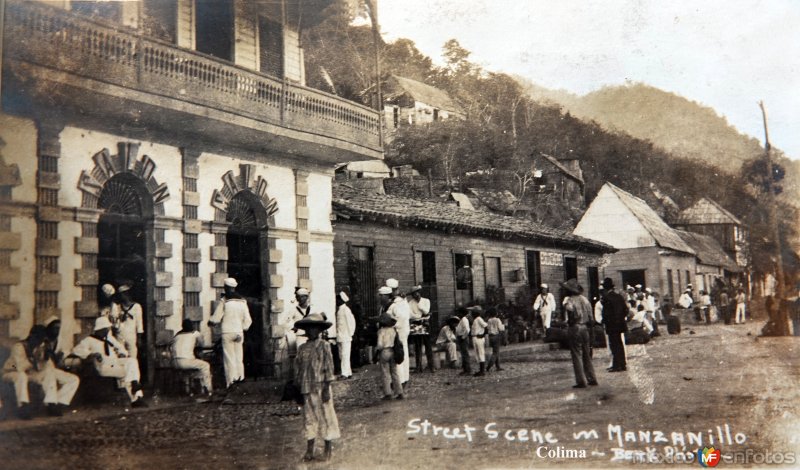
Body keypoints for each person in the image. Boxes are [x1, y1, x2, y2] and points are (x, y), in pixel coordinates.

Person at [293, 312, 340, 462]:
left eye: (314, 328)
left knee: (326, 416)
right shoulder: (302, 348)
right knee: (309, 418)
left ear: (319, 330)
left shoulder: (324, 346)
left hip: (321, 387)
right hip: (306, 388)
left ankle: (328, 447)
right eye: (309, 328)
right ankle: (309, 449)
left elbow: (329, 367)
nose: (311, 331)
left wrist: (327, 387)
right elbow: (298, 369)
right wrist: (297, 388)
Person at [70, 316, 146, 406]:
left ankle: (135, 388)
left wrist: (123, 353)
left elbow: (121, 348)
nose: (107, 331)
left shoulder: (109, 338)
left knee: (132, 361)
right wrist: (91, 354)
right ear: (99, 329)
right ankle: (136, 397)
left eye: (107, 329)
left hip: (115, 363)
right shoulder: (89, 340)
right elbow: (76, 350)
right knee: (129, 373)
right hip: (103, 367)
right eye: (105, 329)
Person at [2, 326, 57, 418]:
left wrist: (44, 359)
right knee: (21, 376)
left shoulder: (38, 347)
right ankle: (23, 406)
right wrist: (33, 359)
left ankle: (51, 403)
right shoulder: (19, 346)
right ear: (31, 336)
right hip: (10, 372)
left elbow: (39, 368)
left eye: (41, 338)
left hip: (28, 374)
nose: (39, 341)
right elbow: (20, 367)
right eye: (37, 337)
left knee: (49, 373)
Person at [208, 277, 252, 388]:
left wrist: (211, 322)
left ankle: (231, 383)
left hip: (227, 332)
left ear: (226, 287)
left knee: (229, 358)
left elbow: (216, 318)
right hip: (239, 332)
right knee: (238, 357)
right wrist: (242, 328)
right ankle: (240, 380)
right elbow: (248, 320)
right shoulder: (243, 301)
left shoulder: (224, 301)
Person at [39, 317, 80, 414]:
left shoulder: (58, 341)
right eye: (55, 328)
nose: (57, 330)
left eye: (58, 328)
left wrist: (59, 356)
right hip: (40, 370)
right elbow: (40, 358)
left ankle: (58, 401)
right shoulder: (41, 341)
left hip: (52, 369)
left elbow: (59, 359)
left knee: (74, 379)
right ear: (48, 328)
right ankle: (51, 404)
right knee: (50, 375)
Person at [561, 279, 598, 388]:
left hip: (575, 327)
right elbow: (591, 317)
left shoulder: (569, 301)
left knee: (576, 354)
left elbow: (570, 311)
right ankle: (592, 378)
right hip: (585, 327)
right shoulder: (585, 300)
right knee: (587, 353)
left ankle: (581, 381)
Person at [172, 318, 212, 397]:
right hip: (187, 361)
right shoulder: (195, 333)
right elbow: (202, 344)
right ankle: (208, 389)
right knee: (205, 365)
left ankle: (188, 390)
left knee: (186, 371)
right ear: (192, 325)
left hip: (175, 362)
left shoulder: (177, 335)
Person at [376, 287, 403, 400]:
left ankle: (388, 393)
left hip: (386, 347)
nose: (380, 298)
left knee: (385, 372)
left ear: (387, 296)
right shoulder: (382, 308)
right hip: (392, 345)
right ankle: (399, 391)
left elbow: (400, 321)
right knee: (394, 371)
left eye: (382, 296)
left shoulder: (394, 307)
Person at [385, 278, 411, 385]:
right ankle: (403, 378)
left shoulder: (398, 303)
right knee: (402, 353)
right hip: (402, 330)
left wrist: (392, 324)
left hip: (399, 331)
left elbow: (402, 318)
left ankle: (400, 379)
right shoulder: (401, 301)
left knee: (398, 354)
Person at [601, 278, 628, 372]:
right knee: (619, 344)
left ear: (605, 288)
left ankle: (617, 365)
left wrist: (605, 322)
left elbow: (606, 313)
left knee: (614, 345)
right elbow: (626, 310)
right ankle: (623, 364)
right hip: (620, 324)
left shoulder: (606, 298)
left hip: (612, 325)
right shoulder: (619, 296)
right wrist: (620, 319)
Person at [112, 284, 144, 363]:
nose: (121, 297)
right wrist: (120, 319)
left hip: (131, 336)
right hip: (120, 335)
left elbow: (139, 324)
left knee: (132, 357)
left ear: (127, 294)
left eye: (123, 294)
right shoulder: (118, 307)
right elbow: (115, 324)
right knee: (120, 356)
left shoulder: (136, 306)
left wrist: (139, 338)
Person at [407, 285, 434, 373]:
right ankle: (419, 367)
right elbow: (410, 315)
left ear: (420, 292)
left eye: (417, 292)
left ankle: (431, 366)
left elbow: (426, 311)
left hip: (425, 324)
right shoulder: (410, 303)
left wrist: (420, 306)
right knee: (418, 346)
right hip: (415, 325)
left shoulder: (426, 301)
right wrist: (419, 316)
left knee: (428, 346)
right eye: (413, 294)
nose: (416, 295)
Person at [335, 291, 356, 379]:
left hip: (346, 336)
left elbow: (351, 322)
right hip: (340, 336)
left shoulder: (346, 310)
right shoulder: (340, 309)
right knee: (342, 355)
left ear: (341, 300)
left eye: (338, 299)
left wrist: (350, 333)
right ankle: (348, 372)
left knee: (345, 355)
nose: (336, 301)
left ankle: (344, 374)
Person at [469, 306, 488, 377]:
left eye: (473, 312)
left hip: (478, 338)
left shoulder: (479, 319)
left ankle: (482, 371)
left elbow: (485, 326)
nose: (471, 313)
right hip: (475, 338)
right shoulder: (476, 320)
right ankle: (481, 370)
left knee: (480, 353)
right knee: (478, 354)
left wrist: (482, 334)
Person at [485, 308, 505, 372]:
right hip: (496, 335)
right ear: (496, 313)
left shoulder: (489, 320)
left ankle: (498, 366)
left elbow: (487, 328)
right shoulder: (497, 320)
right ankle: (489, 366)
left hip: (490, 336)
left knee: (496, 351)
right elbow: (501, 328)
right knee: (495, 352)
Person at [455, 307, 472, 375]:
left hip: (463, 338)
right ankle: (465, 369)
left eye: (459, 312)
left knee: (465, 354)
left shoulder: (464, 320)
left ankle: (468, 370)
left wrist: (463, 337)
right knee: (463, 354)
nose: (458, 314)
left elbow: (467, 330)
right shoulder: (461, 320)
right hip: (460, 337)